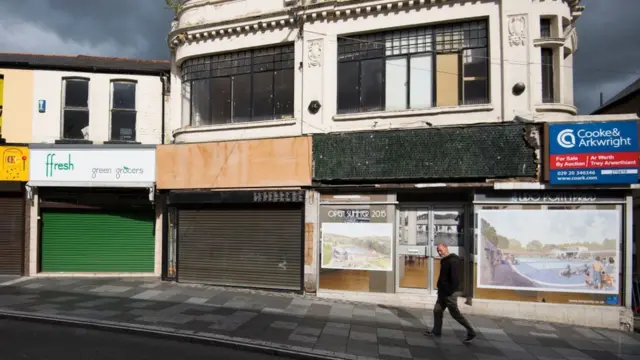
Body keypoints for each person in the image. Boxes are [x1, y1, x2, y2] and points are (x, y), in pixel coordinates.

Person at [424, 243, 476, 343]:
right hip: (442, 292)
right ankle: (436, 331)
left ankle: (471, 332)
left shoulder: (453, 261)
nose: (439, 252)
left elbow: (455, 279)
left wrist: (449, 291)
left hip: (449, 294)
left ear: (446, 248)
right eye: (438, 250)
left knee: (455, 314)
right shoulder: (445, 260)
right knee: (437, 310)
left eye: (440, 250)